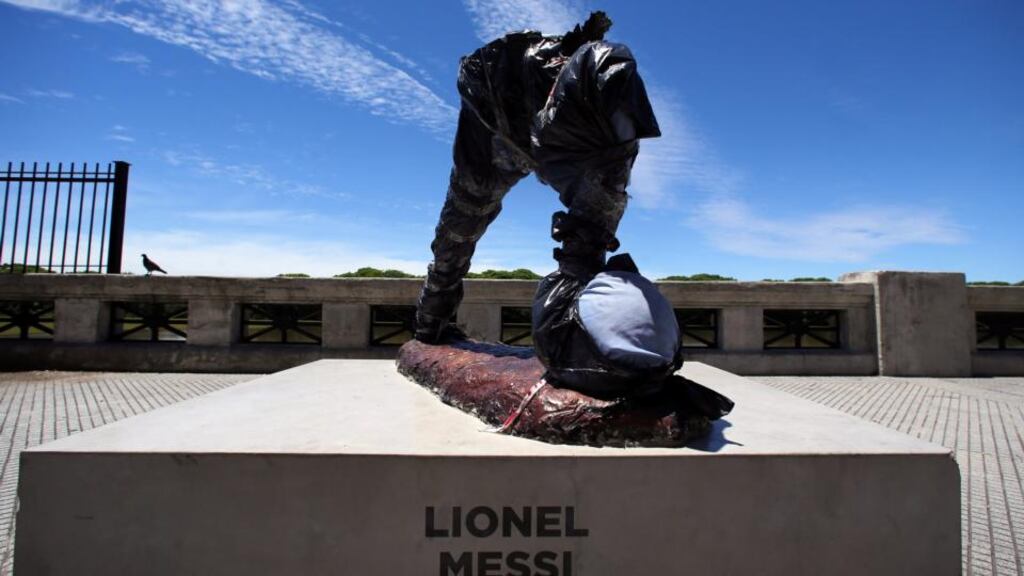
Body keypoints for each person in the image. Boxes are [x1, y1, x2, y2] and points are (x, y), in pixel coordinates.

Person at [415, 11, 661, 346]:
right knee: (459, 227)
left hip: (570, 136)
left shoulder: (613, 140)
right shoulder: (506, 72)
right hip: (494, 125)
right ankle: (430, 323)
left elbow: (596, 218)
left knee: (590, 233)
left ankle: (578, 340)